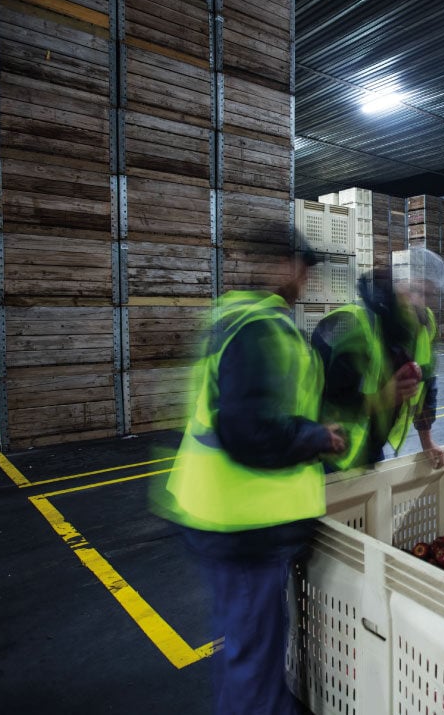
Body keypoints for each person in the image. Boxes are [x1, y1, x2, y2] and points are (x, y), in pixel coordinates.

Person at [150, 222, 346, 715]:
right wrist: (316, 438)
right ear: (283, 267)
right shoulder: (260, 329)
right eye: (303, 267)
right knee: (252, 651)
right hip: (240, 522)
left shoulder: (245, 318)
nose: (307, 279)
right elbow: (247, 430)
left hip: (234, 519)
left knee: (255, 640)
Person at [312, 247, 444, 471]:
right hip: (330, 452)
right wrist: (381, 398)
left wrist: (427, 441)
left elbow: (426, 386)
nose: (419, 301)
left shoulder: (425, 325)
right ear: (397, 284)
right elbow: (323, 399)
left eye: (429, 294)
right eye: (415, 290)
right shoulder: (353, 323)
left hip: (372, 448)